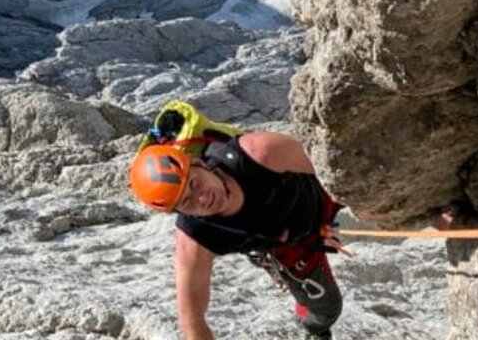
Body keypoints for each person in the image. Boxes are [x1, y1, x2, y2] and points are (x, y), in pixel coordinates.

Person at [129, 130, 343, 340]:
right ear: (180, 212)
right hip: (289, 241)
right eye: (186, 202)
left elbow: (337, 164)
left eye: (193, 183)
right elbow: (191, 318)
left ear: (199, 163)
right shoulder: (196, 238)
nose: (201, 198)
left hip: (327, 192)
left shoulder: (260, 153)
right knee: (327, 309)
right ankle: (315, 330)